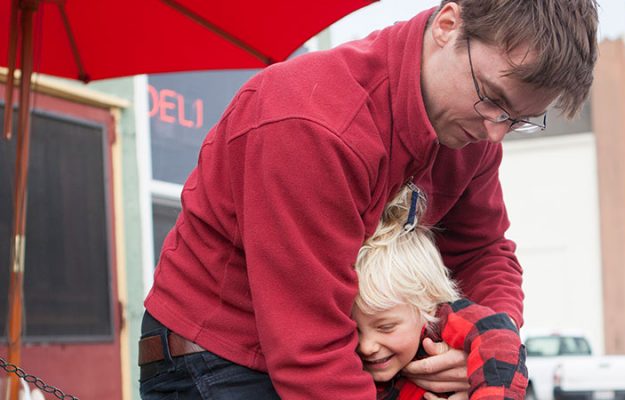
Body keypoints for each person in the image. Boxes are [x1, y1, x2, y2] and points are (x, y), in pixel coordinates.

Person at [139, 1, 598, 399]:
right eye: (491, 98)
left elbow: (483, 251)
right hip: (218, 362)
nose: (495, 131)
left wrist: (489, 340)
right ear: (447, 26)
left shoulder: (474, 134)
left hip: (333, 351)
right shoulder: (314, 124)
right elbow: (309, 350)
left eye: (518, 119)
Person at [353, 184, 528, 400]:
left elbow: (497, 337)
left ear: (427, 304)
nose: (366, 346)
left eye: (386, 327)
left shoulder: (446, 323)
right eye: (355, 330)